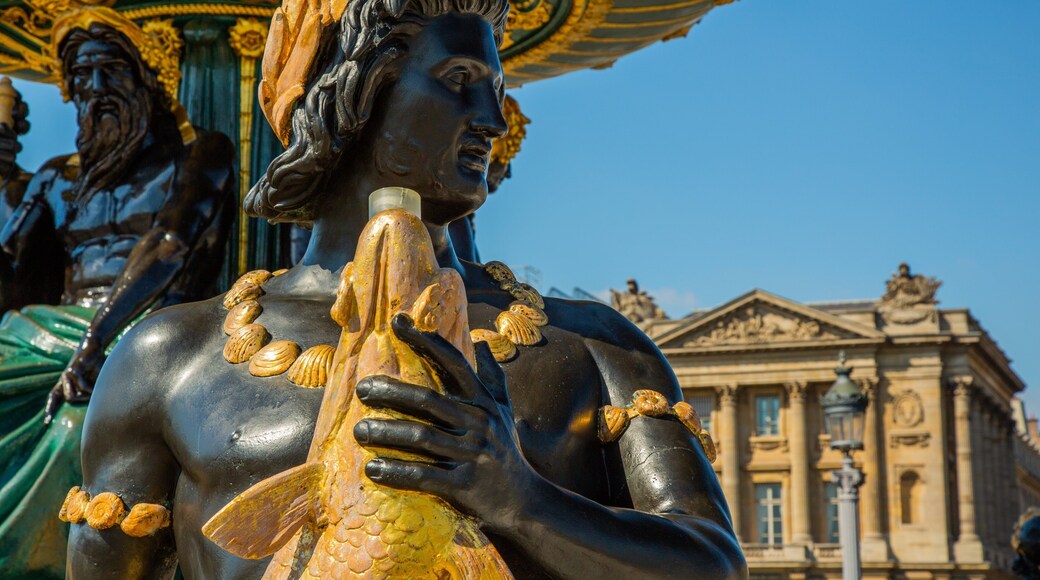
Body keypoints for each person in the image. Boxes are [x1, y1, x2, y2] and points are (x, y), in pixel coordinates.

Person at [68, 0, 745, 577]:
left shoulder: (596, 346)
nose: (493, 117)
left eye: (496, 86)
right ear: (351, 93)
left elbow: (712, 563)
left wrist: (522, 501)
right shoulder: (168, 356)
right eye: (460, 79)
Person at [0, 7, 234, 577]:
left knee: (74, 432)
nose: (96, 88)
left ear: (147, 77)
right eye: (81, 77)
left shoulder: (200, 153)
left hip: (150, 330)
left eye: (111, 70)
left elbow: (170, 243)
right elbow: (9, 258)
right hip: (47, 330)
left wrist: (96, 343)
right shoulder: (55, 178)